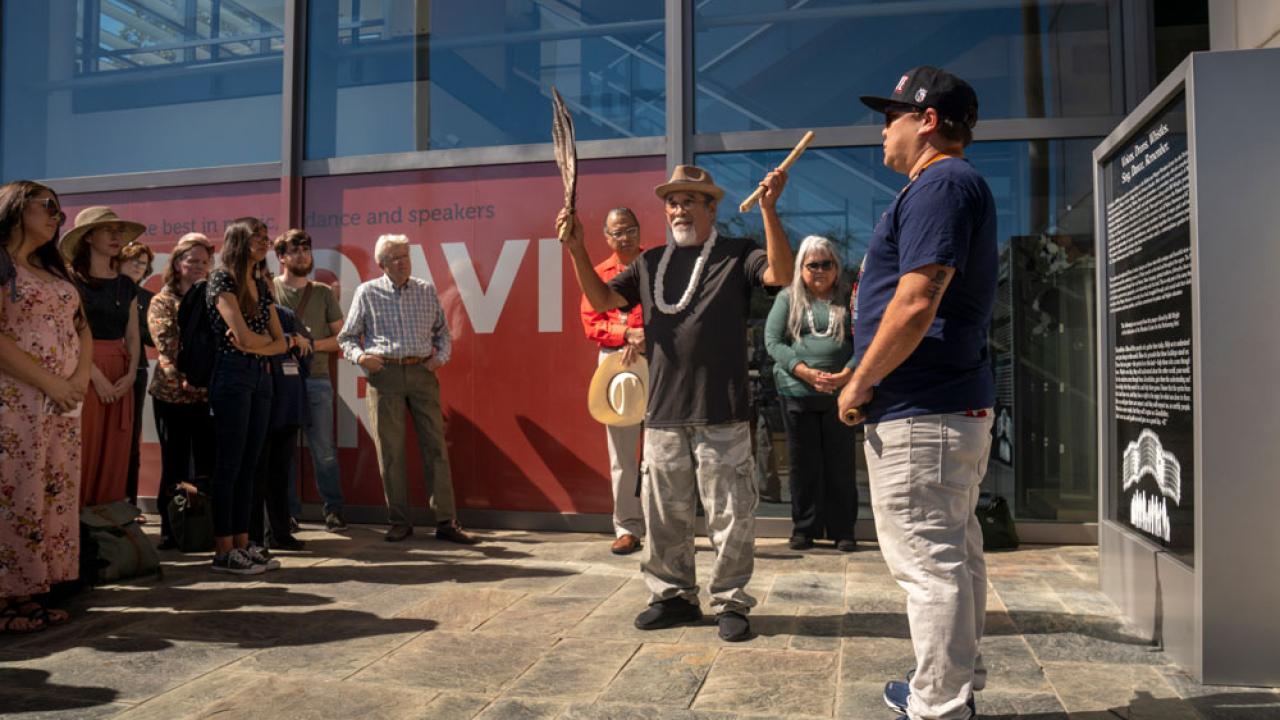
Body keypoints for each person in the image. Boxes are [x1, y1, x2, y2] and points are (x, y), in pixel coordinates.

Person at [560, 164, 793, 642]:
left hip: (722, 409)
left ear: (712, 207)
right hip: (664, 411)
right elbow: (602, 299)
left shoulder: (736, 254)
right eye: (672, 201)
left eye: (690, 199)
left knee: (729, 514)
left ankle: (730, 600)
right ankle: (673, 596)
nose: (678, 208)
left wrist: (768, 210)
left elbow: (782, 274)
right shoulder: (650, 263)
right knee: (665, 514)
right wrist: (577, 247)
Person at [837, 66, 996, 720]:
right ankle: (951, 687)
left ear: (927, 120)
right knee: (952, 557)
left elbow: (916, 299)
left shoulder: (942, 183)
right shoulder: (946, 187)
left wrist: (860, 380)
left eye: (891, 117)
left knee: (930, 566)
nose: (883, 132)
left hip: (920, 408)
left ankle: (939, 706)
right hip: (941, 405)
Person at [337, 234, 478, 545]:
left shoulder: (425, 290)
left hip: (421, 372)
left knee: (436, 448)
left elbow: (443, 332)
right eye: (395, 258)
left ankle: (446, 521)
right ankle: (399, 521)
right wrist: (362, 358)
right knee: (390, 451)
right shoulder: (367, 292)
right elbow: (346, 337)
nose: (402, 262)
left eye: (405, 256)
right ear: (382, 264)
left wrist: (438, 359)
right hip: (384, 374)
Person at [0, 181, 93, 633]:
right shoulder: (2, 266)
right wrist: (51, 383)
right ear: (16, 210)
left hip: (59, 405)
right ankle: (7, 595)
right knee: (14, 491)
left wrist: (75, 381)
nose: (58, 216)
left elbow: (83, 330)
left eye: (60, 209)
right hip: (14, 401)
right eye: (48, 208)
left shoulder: (55, 272)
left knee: (49, 489)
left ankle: (34, 588)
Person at [763, 235, 858, 552]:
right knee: (803, 465)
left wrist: (847, 374)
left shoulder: (849, 298)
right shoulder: (788, 298)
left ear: (836, 266)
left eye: (826, 264)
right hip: (796, 392)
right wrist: (803, 370)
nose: (819, 270)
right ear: (800, 268)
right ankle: (805, 529)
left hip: (840, 395)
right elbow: (773, 342)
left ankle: (843, 530)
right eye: (812, 264)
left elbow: (868, 341)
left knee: (840, 464)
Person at [207, 218, 288, 575]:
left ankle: (244, 543)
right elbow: (241, 337)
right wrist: (265, 345)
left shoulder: (261, 281)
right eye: (256, 237)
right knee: (229, 463)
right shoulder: (222, 278)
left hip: (260, 377)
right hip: (233, 374)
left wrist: (262, 346)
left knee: (251, 465)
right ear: (237, 240)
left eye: (265, 237)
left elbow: (281, 339)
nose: (264, 242)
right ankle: (223, 549)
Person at [62, 207, 143, 507]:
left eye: (119, 231)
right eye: (108, 230)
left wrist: (132, 373)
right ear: (87, 237)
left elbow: (133, 335)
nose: (116, 236)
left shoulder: (126, 284)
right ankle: (74, 527)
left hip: (121, 371)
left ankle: (104, 529)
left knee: (116, 452)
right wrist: (94, 376)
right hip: (82, 369)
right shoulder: (69, 280)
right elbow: (69, 334)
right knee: (84, 447)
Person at [579, 207, 646, 555]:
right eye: (617, 232)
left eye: (630, 230)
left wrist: (646, 335)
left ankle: (664, 524)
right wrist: (626, 333)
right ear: (606, 237)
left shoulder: (655, 266)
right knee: (622, 453)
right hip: (616, 363)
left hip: (657, 360)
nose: (625, 237)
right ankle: (627, 527)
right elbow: (592, 323)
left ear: (639, 231)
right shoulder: (599, 273)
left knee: (663, 450)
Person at [272, 229, 348, 532]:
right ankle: (287, 513)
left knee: (324, 450)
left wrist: (310, 345)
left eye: (306, 249)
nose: (302, 255)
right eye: (294, 250)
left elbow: (341, 338)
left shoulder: (322, 292)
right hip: (281, 382)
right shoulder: (270, 289)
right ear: (281, 257)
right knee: (283, 452)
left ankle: (334, 510)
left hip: (317, 378)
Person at [147, 233, 217, 549]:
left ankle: (201, 527)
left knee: (206, 462)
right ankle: (170, 529)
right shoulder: (162, 301)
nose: (200, 266)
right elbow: (167, 344)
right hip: (172, 394)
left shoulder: (212, 298)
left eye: (205, 261)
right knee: (174, 462)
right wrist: (187, 375)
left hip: (204, 394)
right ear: (177, 264)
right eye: (193, 261)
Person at [250, 302, 312, 552]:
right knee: (256, 474)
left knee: (281, 474)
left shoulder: (286, 314)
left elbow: (308, 348)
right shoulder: (246, 316)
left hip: (287, 404)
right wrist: (288, 340)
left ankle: (281, 533)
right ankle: (256, 537)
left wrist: (296, 344)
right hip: (258, 402)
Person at [119, 240, 155, 512]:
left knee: (131, 436)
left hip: (137, 368)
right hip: (103, 365)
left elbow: (151, 339)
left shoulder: (147, 298)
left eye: (142, 263)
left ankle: (130, 502)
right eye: (133, 260)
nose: (137, 267)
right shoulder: (105, 289)